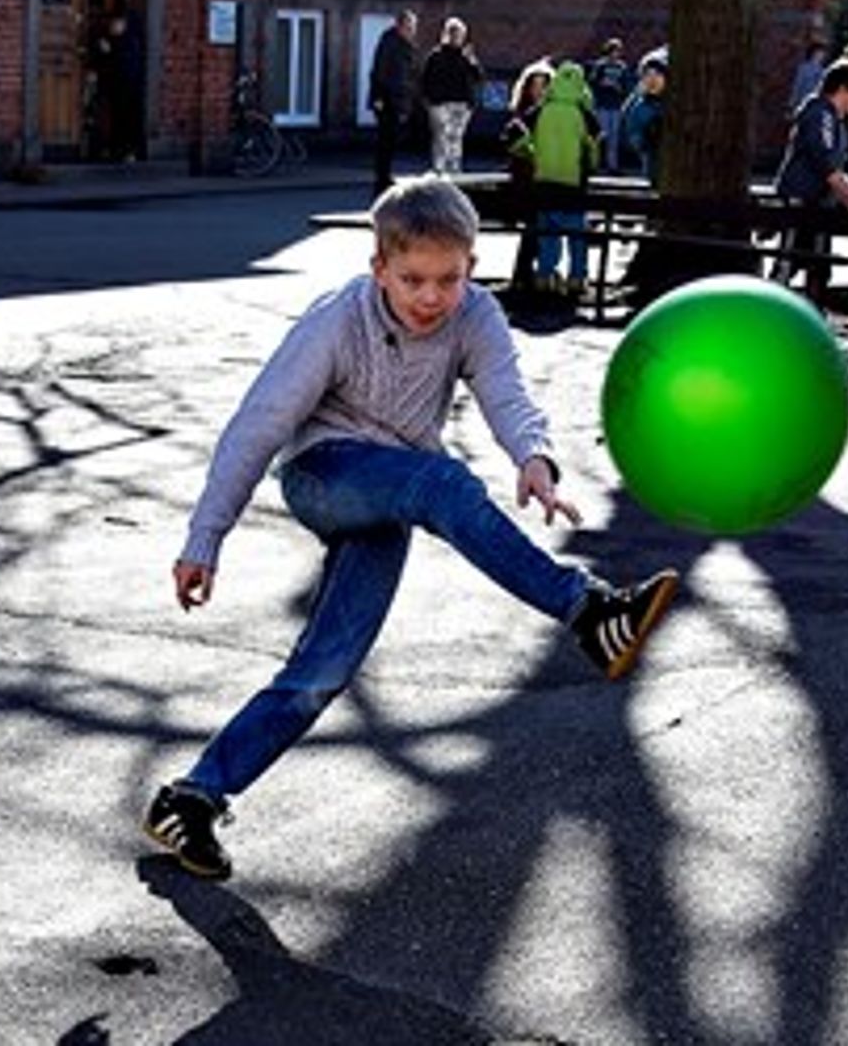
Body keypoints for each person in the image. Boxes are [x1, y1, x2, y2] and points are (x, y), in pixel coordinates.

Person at [141, 177, 683, 880]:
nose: (432, 297)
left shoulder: (476, 315)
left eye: (449, 279)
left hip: (394, 492)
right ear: (379, 269)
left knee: (323, 670)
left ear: (471, 265)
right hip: (323, 473)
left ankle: (193, 797)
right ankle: (588, 608)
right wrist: (204, 538)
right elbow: (259, 425)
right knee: (443, 481)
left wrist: (535, 457)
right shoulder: (337, 320)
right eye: (412, 280)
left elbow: (506, 391)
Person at [773, 59, 848, 304]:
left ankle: (811, 309)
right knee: (790, 259)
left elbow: (835, 165)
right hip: (802, 198)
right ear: (842, 89)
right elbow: (825, 161)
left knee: (818, 261)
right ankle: (769, 311)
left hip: (819, 202)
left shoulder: (834, 120)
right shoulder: (820, 114)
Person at [507, 62, 599, 299]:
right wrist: (590, 165)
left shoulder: (541, 110)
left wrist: (531, 152)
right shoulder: (584, 113)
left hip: (544, 183)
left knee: (548, 233)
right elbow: (596, 147)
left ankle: (545, 276)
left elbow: (514, 137)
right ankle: (577, 278)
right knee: (577, 235)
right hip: (574, 185)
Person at [497, 60, 555, 293]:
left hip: (545, 179)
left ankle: (532, 273)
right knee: (534, 224)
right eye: (535, 85)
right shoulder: (522, 115)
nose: (539, 90)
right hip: (526, 181)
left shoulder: (554, 114)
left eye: (544, 85)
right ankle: (524, 273)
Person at [418, 17, 483, 176]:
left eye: (460, 35)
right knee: (441, 136)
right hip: (440, 102)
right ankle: (439, 168)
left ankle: (454, 168)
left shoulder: (466, 56)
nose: (457, 38)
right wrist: (427, 99)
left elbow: (479, 77)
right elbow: (425, 78)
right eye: (453, 34)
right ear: (447, 34)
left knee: (456, 137)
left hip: (462, 102)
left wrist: (471, 61)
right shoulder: (436, 55)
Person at [84, 12, 147, 162]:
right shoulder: (112, 40)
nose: (112, 28)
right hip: (116, 89)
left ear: (123, 26)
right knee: (114, 120)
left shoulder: (129, 43)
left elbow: (124, 65)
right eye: (112, 25)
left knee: (127, 121)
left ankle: (128, 151)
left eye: (116, 25)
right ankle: (114, 149)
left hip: (129, 90)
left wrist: (109, 52)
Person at [369, 11, 419, 190]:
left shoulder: (406, 45)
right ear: (399, 26)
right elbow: (379, 71)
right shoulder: (390, 43)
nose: (412, 31)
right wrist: (378, 97)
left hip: (398, 98)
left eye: (413, 27)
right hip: (388, 98)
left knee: (391, 140)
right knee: (385, 140)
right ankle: (382, 177)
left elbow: (409, 74)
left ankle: (385, 175)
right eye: (408, 27)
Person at [617, 48, 667, 183]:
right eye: (648, 75)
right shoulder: (639, 104)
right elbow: (630, 126)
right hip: (650, 153)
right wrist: (643, 141)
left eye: (657, 75)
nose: (652, 80)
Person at [584, 37, 634, 172]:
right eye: (613, 51)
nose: (616, 54)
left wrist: (621, 92)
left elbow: (627, 86)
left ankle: (613, 165)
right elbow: (592, 82)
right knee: (600, 136)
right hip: (602, 104)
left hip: (615, 105)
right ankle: (597, 163)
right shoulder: (600, 65)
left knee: (614, 137)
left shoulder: (622, 67)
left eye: (618, 51)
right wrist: (603, 85)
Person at [788, 41, 829, 116]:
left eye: (822, 53)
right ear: (812, 53)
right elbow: (797, 85)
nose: (821, 55)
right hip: (802, 100)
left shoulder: (823, 71)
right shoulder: (803, 68)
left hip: (815, 104)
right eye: (818, 53)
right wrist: (792, 102)